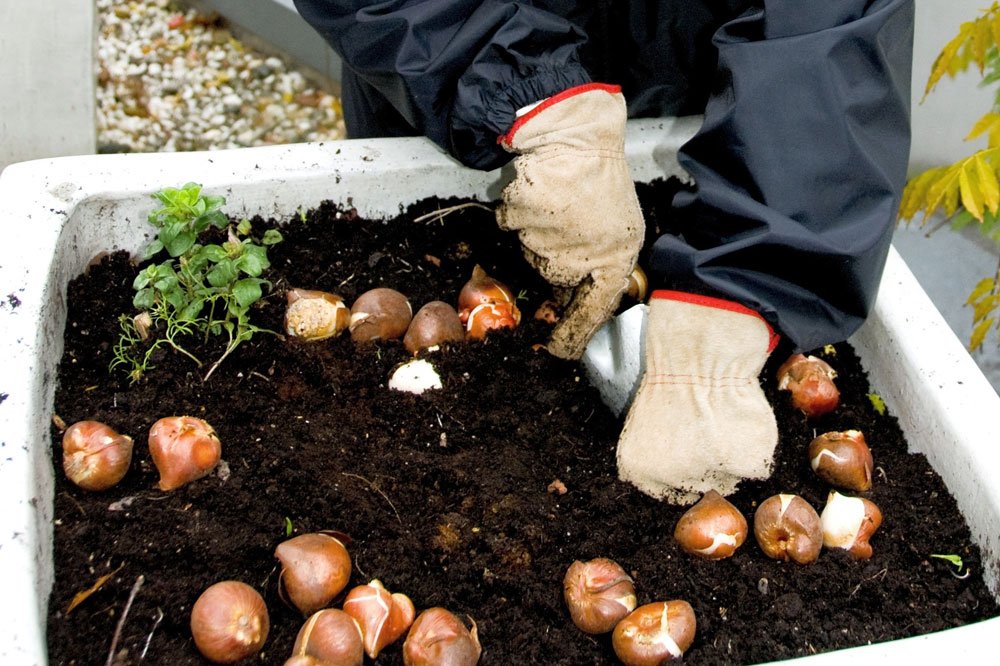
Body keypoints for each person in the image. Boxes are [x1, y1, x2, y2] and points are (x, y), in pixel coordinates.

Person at [292, 0, 915, 502]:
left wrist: (754, 272)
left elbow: (830, 22)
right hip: (443, 82)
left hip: (727, 104)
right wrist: (527, 97)